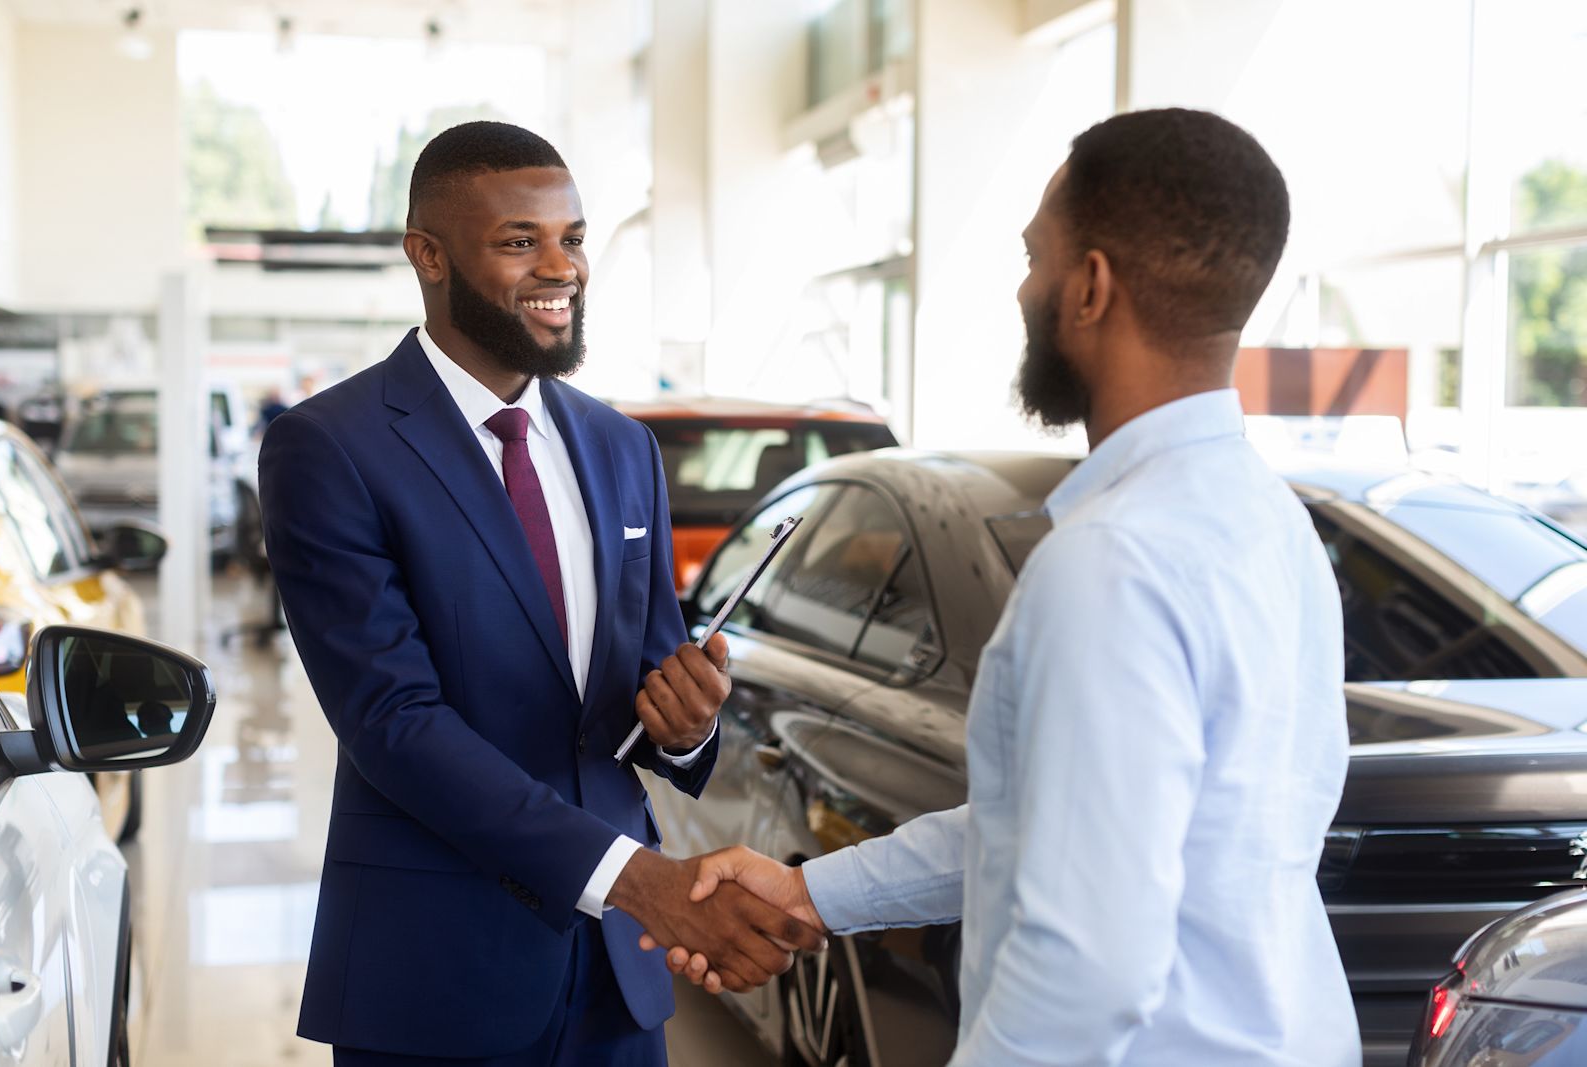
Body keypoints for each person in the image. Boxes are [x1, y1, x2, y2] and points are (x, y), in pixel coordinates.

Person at [653, 108, 1361, 1066]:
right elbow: (1039, 824)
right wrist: (806, 893)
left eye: (1036, 258)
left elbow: (1087, 966)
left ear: (1092, 287)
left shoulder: (1111, 560)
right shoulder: (1270, 523)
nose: (1024, 289)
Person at [258, 121, 821, 1067]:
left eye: (573, 237)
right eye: (521, 241)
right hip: (437, 969)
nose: (561, 267)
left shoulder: (619, 445)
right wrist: (634, 877)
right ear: (427, 256)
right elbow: (393, 721)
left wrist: (687, 726)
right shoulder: (331, 447)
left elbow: (638, 680)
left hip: (617, 975)